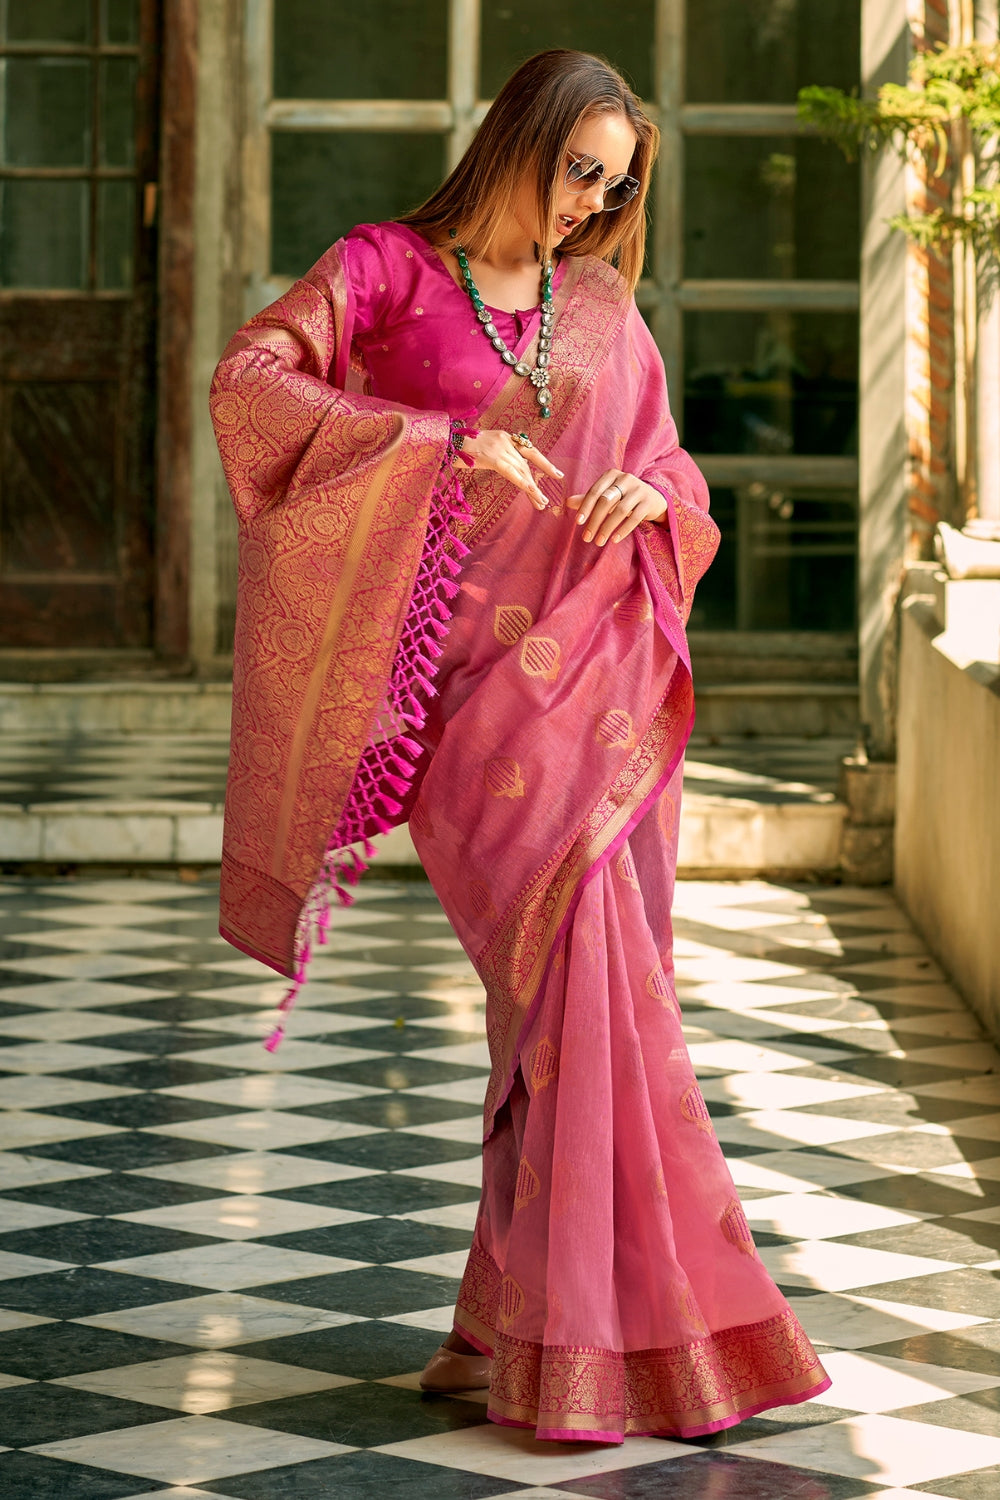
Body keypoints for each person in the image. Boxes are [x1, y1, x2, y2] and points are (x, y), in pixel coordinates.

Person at [210, 48, 831, 1445]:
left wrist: (640, 492)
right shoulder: (380, 272)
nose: (588, 203)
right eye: (577, 168)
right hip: (461, 707)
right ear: (518, 138)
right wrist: (435, 444)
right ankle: (604, 1331)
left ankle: (529, 1328)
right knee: (569, 1006)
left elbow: (675, 470)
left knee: (574, 1015)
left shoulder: (602, 305)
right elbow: (249, 387)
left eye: (613, 185)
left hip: (596, 689)